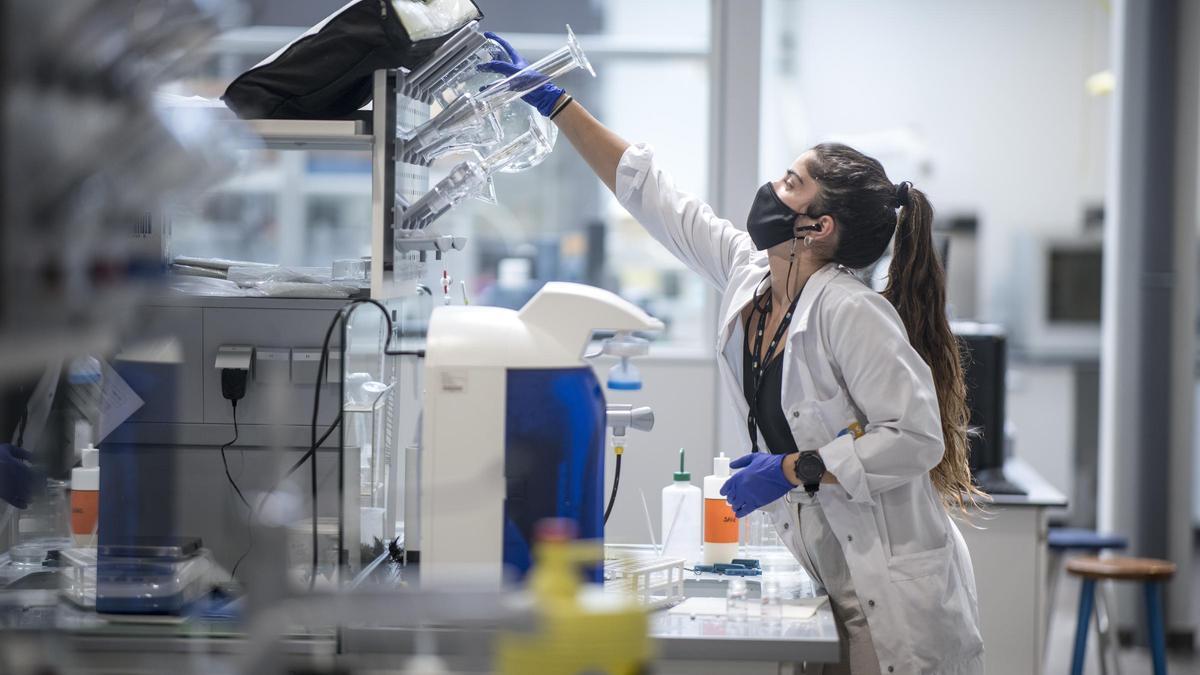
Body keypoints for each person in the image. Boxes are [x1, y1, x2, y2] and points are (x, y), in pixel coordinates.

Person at [483, 34, 986, 674]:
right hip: (827, 575)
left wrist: (791, 470)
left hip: (892, 592)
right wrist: (554, 103)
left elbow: (917, 439)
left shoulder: (850, 311)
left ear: (818, 225)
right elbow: (653, 196)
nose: (771, 188)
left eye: (791, 181)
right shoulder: (753, 276)